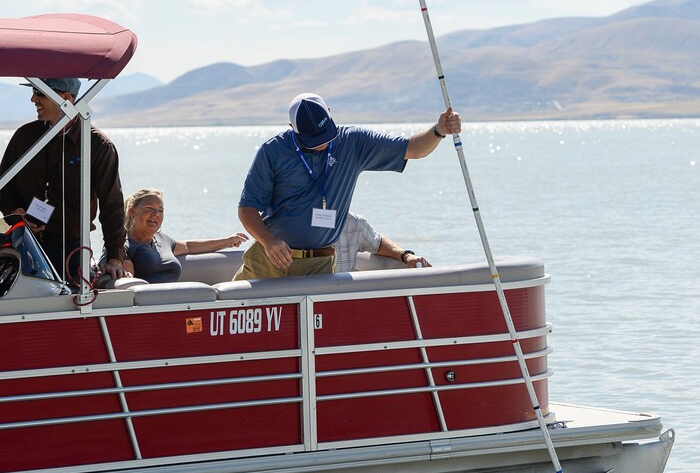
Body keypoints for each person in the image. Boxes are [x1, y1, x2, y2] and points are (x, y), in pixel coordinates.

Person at [234, 92, 460, 280]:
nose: (321, 142)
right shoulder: (273, 151)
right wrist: (268, 241)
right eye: (312, 139)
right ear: (292, 127)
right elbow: (247, 209)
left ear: (330, 113)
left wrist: (439, 130)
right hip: (269, 260)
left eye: (325, 134)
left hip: (319, 266)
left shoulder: (353, 142)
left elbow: (413, 148)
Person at [0, 78, 127, 281]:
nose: (33, 98)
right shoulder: (24, 136)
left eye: (40, 93)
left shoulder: (98, 145)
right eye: (34, 91)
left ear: (66, 98)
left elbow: (112, 206)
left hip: (72, 250)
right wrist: (14, 212)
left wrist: (115, 258)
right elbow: (4, 185)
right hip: (23, 244)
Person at [116, 188, 248, 283]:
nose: (156, 214)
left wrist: (228, 241)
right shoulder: (124, 244)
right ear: (132, 212)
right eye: (149, 208)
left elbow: (188, 246)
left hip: (175, 303)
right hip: (150, 307)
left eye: (160, 210)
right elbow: (130, 285)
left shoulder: (162, 239)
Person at [334, 212, 431, 272]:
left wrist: (407, 256)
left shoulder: (353, 222)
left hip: (342, 295)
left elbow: (378, 243)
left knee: (404, 266)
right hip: (321, 296)